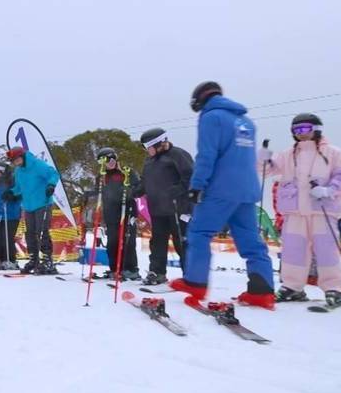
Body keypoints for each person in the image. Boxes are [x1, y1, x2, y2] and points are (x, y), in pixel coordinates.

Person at [170, 82, 276, 308]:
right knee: (251, 242)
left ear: (199, 100)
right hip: (247, 190)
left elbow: (207, 154)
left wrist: (197, 185)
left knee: (199, 232)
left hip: (220, 188)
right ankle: (262, 291)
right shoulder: (246, 121)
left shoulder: (211, 117)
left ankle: (195, 282)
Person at [258, 113, 341, 307]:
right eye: (296, 130)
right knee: (293, 250)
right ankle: (292, 287)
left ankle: (333, 288)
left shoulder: (333, 153)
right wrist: (263, 159)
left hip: (322, 209)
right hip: (295, 210)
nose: (300, 134)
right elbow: (266, 172)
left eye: (305, 129)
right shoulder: (288, 154)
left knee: (326, 250)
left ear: (316, 129)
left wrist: (330, 190)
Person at [135, 127, 194, 285]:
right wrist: (135, 192)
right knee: (157, 243)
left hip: (178, 209)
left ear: (159, 144)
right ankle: (157, 273)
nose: (148, 151)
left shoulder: (178, 155)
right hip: (157, 209)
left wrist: (178, 189)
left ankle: (190, 276)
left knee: (181, 242)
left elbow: (191, 177)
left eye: (149, 147)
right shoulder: (149, 161)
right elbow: (145, 181)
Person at [7, 146, 60, 275]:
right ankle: (33, 259)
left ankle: (47, 260)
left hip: (43, 203)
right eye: (13, 161)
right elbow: (18, 188)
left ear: (22, 156)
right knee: (30, 233)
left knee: (42, 231)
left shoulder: (37, 165)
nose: (15, 163)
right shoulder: (19, 171)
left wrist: (51, 185)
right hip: (28, 206)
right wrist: (10, 193)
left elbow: (53, 173)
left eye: (16, 159)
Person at [93, 147, 140, 280]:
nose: (111, 162)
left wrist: (129, 191)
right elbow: (99, 193)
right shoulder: (102, 177)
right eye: (108, 160)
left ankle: (131, 268)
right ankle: (115, 268)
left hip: (128, 210)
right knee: (112, 241)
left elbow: (139, 187)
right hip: (111, 212)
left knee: (128, 240)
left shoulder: (127, 172)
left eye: (113, 158)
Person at [0, 162, 21, 270]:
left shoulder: (12, 181)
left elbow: (19, 193)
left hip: (11, 214)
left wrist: (13, 197)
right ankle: (0, 259)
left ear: (2, 170)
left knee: (7, 238)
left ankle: (10, 260)